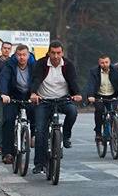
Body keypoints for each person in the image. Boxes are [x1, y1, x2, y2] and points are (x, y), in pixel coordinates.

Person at [29, 41, 82, 174]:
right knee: (40, 131)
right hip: (44, 101)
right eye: (53, 53)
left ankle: (66, 136)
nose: (56, 56)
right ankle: (40, 163)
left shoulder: (68, 65)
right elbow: (36, 79)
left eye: (58, 53)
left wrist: (77, 94)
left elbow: (73, 81)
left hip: (63, 99)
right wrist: (33, 93)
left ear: (62, 53)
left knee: (73, 111)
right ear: (48, 53)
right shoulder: (41, 64)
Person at [0, 45, 36, 164]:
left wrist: (37, 94)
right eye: (19, 55)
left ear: (28, 55)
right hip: (12, 97)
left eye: (24, 55)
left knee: (37, 114)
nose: (22, 57)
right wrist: (4, 94)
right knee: (8, 120)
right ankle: (8, 153)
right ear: (15, 55)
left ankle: (33, 136)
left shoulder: (34, 65)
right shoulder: (10, 64)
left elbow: (38, 80)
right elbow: (3, 78)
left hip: (30, 96)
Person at [84, 54, 118, 145]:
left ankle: (116, 129)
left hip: (113, 95)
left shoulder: (115, 70)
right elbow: (91, 84)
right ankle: (98, 132)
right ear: (99, 63)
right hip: (99, 96)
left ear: (109, 62)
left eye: (106, 62)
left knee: (115, 112)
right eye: (102, 63)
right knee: (99, 110)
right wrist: (90, 95)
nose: (104, 64)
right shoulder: (94, 71)